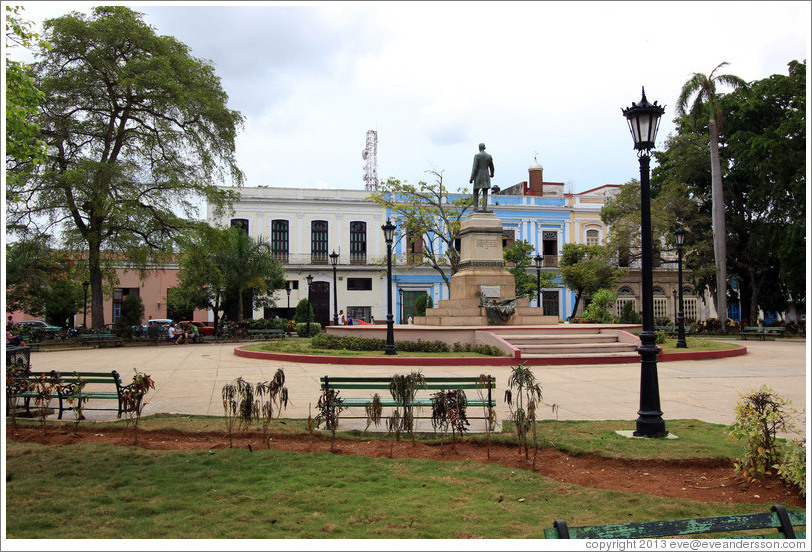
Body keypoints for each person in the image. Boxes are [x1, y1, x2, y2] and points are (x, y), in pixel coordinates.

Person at [469, 142, 494, 212]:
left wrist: (471, 178)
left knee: (475, 192)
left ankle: (475, 208)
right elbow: (492, 167)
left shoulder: (477, 156)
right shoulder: (489, 156)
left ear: (479, 148)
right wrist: (492, 174)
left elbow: (474, 168)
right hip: (486, 176)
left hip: (478, 176)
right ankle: (484, 208)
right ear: (484, 148)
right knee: (485, 192)